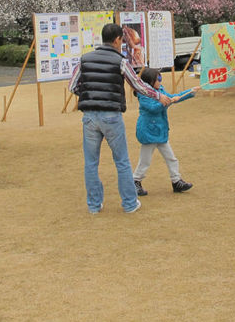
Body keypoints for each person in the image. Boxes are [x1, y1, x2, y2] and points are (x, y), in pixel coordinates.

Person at [69, 23, 170, 214]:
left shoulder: (84, 59)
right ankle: (130, 203)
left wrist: (88, 95)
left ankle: (94, 205)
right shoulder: (120, 61)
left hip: (89, 116)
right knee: (122, 161)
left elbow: (72, 86)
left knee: (91, 163)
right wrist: (158, 95)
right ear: (116, 39)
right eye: (122, 40)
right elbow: (138, 85)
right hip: (111, 116)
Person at [132, 67, 197, 196]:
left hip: (160, 131)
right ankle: (135, 181)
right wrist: (167, 102)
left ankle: (176, 181)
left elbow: (172, 97)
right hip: (148, 132)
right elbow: (153, 108)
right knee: (145, 161)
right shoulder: (143, 94)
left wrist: (190, 92)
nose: (160, 81)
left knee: (171, 158)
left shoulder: (160, 90)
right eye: (158, 79)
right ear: (150, 81)